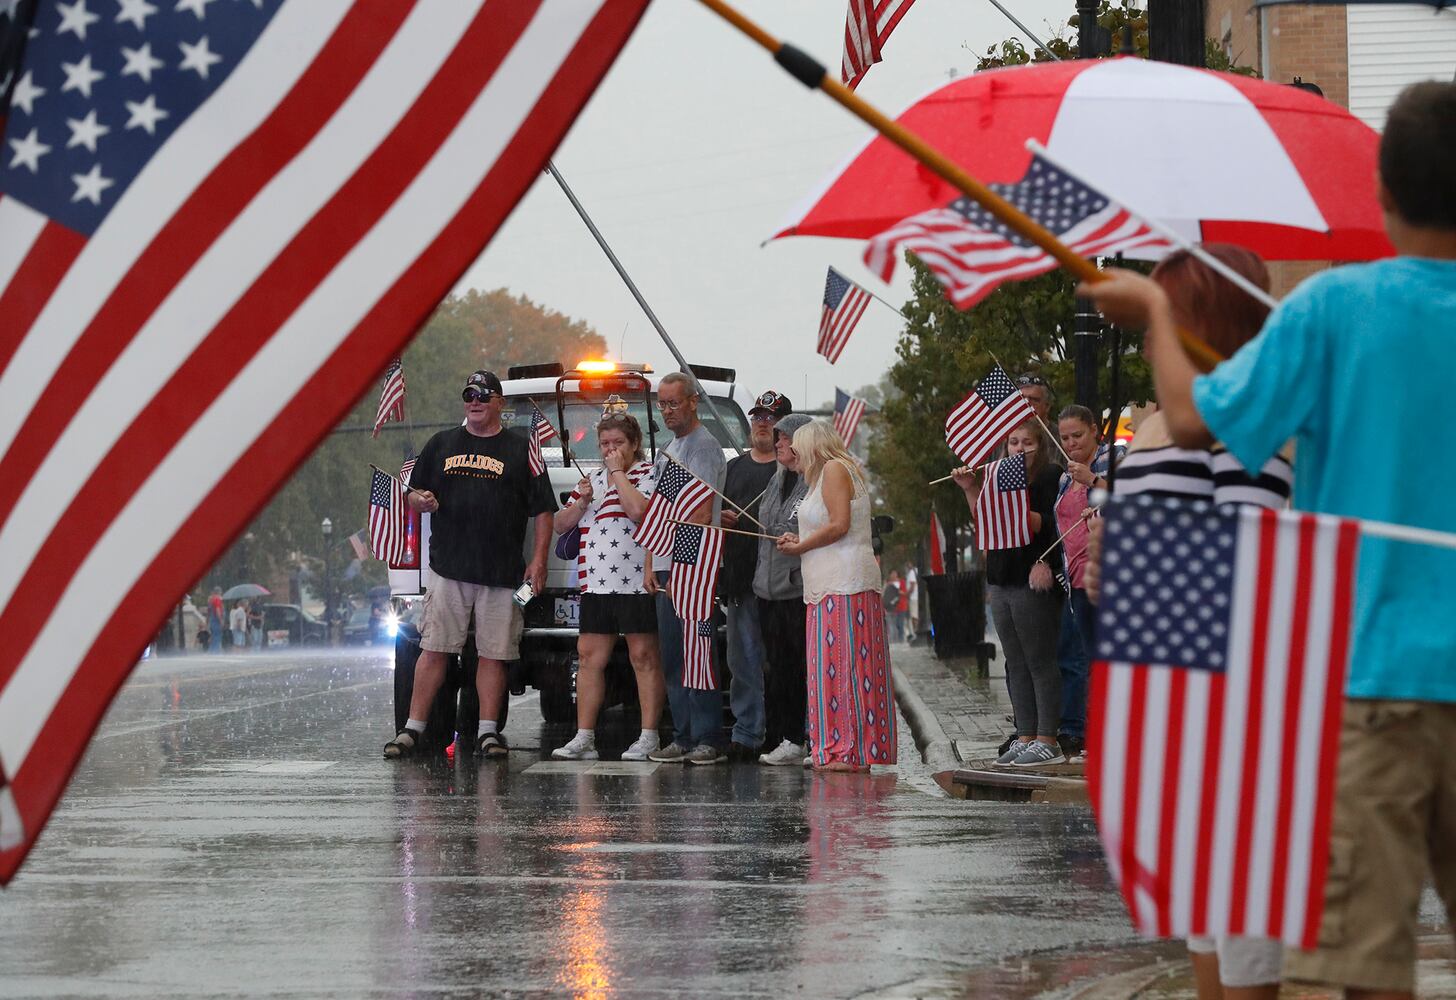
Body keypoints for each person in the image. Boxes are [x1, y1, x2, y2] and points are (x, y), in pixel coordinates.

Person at [1079, 81, 1456, 1000]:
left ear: (1386, 194)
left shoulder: (1333, 312)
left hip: (1372, 684)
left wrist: (1160, 318)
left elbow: (1192, 417)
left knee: (1366, 963)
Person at [383, 369, 556, 761]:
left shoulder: (520, 449)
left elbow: (543, 510)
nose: (474, 401)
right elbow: (413, 493)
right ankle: (412, 729)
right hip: (449, 568)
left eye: (483, 395)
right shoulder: (442, 443)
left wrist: (539, 561)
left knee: (493, 654)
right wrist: (420, 500)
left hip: (501, 572)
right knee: (434, 649)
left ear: (499, 403)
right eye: (469, 395)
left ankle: (487, 733)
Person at [776, 419, 897, 772]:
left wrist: (801, 547)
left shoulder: (833, 468)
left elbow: (839, 524)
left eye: (797, 447)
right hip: (826, 583)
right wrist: (800, 542)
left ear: (813, 446)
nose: (793, 454)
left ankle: (848, 749)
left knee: (842, 664)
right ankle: (836, 745)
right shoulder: (822, 477)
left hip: (844, 583)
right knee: (829, 665)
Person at [549, 413, 665, 762]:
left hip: (636, 582)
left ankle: (649, 736)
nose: (610, 450)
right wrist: (582, 501)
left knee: (643, 656)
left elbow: (640, 512)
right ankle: (584, 736)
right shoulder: (592, 479)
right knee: (588, 657)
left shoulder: (647, 475)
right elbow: (559, 524)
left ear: (634, 445)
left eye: (618, 444)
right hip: (596, 583)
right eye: (605, 445)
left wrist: (617, 474)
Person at [953, 418, 1064, 768]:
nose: (1019, 448)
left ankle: (1049, 738)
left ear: (1039, 444)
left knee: (1039, 660)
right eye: (1013, 442)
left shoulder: (1049, 475)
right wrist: (972, 488)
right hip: (1001, 578)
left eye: (1026, 442)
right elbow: (985, 521)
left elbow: (1041, 523)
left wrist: (1011, 498)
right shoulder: (998, 475)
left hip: (1032, 575)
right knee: (1015, 661)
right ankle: (1026, 733)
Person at [644, 373, 729, 765]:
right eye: (661, 404)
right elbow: (657, 511)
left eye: (673, 403)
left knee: (699, 651)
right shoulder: (667, 450)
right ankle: (682, 735)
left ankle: (707, 736)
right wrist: (650, 561)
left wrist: (679, 570)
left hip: (693, 568)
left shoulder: (705, 447)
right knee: (673, 655)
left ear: (693, 402)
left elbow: (699, 511)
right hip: (664, 566)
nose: (666, 411)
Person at [719, 391, 790, 759]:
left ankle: (785, 732)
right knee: (742, 661)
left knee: (782, 661)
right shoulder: (732, 469)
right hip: (742, 581)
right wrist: (720, 517)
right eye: (758, 417)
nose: (763, 423)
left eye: (771, 418)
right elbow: (710, 517)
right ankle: (747, 733)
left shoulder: (793, 473)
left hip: (783, 586)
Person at [1053, 404, 1124, 759]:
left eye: (1077, 436)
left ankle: (1111, 733)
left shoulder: (1115, 458)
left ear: (1095, 430)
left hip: (1108, 571)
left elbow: (1130, 497)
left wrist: (1094, 482)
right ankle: (1089, 732)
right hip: (1076, 577)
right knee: (1081, 656)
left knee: (1105, 657)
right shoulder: (1066, 476)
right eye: (1065, 438)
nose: (1071, 444)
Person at [754, 411, 812, 766]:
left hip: (797, 589)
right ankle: (784, 736)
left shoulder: (813, 480)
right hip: (768, 589)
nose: (777, 444)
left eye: (784, 438)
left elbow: (801, 524)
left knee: (802, 667)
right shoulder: (776, 479)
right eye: (777, 438)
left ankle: (806, 734)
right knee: (777, 667)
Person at [904, 563, 920, 643]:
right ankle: (916, 632)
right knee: (915, 615)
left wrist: (907, 594)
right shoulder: (916, 570)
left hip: (913, 597)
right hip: (917, 597)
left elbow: (912, 585)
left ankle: (916, 632)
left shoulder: (911, 573)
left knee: (914, 616)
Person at [207, 586, 224, 652]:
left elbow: (208, 612)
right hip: (216, 621)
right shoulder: (217, 599)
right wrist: (221, 620)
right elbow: (217, 610)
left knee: (213, 637)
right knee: (217, 638)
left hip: (212, 621)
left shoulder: (210, 600)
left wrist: (207, 621)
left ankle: (211, 653)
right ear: (219, 592)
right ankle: (215, 653)